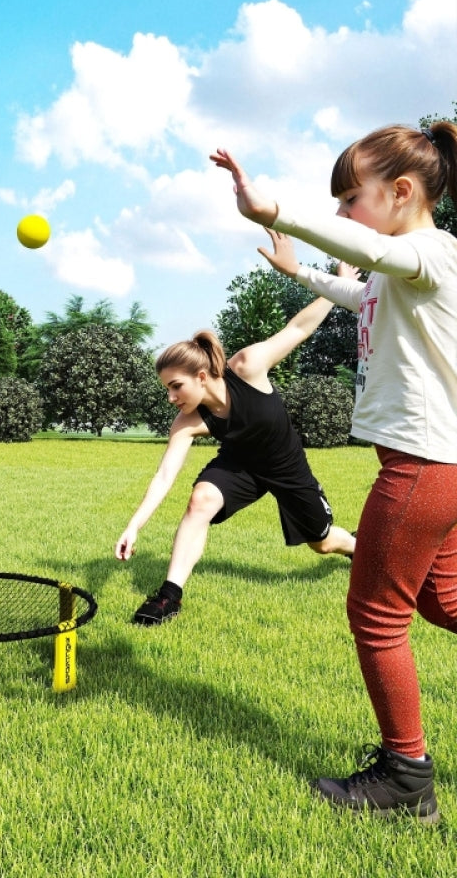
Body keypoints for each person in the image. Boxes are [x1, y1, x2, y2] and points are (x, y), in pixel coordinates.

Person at [211, 120, 457, 825]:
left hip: (421, 468)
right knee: (443, 601)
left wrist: (276, 211)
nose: (345, 212)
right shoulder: (395, 273)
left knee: (376, 614)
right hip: (436, 469)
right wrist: (300, 274)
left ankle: (407, 782)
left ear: (403, 191)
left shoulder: (432, 252)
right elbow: (360, 291)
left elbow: (372, 250)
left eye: (352, 197)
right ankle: (405, 773)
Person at [115, 229, 356, 626]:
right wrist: (133, 526)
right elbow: (163, 478)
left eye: (177, 387)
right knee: (200, 502)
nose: (172, 397)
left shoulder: (247, 367)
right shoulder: (188, 422)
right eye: (167, 389)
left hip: (285, 464)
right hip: (240, 466)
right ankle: (169, 597)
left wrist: (339, 286)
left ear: (204, 374)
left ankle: (356, 548)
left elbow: (299, 328)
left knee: (323, 542)